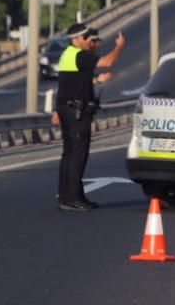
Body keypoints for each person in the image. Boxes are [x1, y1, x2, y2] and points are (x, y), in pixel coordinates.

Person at [53, 23, 126, 211]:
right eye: (86, 39)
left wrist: (95, 81)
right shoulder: (77, 55)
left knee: (71, 154)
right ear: (75, 39)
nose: (89, 42)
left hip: (70, 109)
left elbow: (71, 83)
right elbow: (107, 62)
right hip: (75, 112)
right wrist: (119, 46)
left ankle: (72, 196)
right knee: (76, 155)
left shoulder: (70, 56)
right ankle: (71, 198)